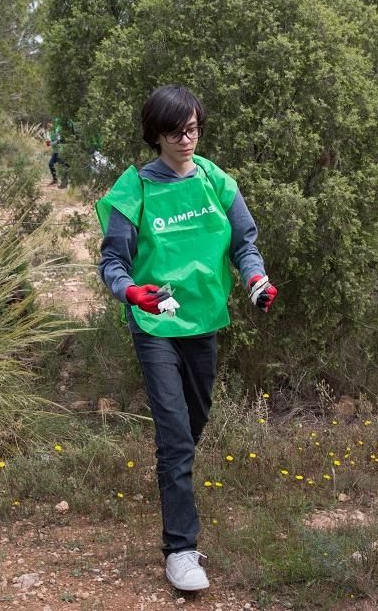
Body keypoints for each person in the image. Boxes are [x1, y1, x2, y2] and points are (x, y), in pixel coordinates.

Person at [95, 85, 278, 592]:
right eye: (177, 131)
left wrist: (255, 279)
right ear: (156, 134)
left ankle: (172, 476)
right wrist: (131, 292)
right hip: (155, 323)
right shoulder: (135, 188)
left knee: (193, 424)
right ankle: (181, 549)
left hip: (203, 321)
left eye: (194, 128)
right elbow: (112, 261)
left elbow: (245, 244)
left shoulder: (216, 180)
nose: (187, 138)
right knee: (175, 436)